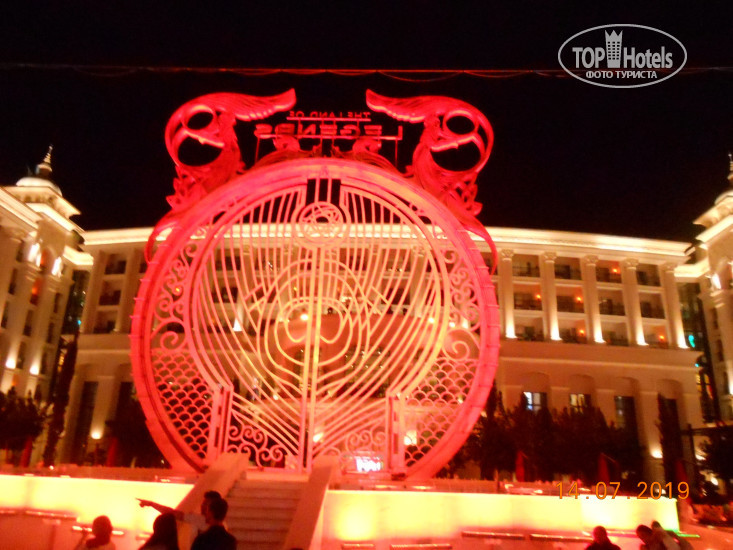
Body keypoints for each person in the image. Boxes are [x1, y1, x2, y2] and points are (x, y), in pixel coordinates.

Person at [138, 490, 221, 538]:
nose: (202, 506)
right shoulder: (197, 518)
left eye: (206, 504)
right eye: (203, 503)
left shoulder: (220, 527)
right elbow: (172, 513)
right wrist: (152, 504)